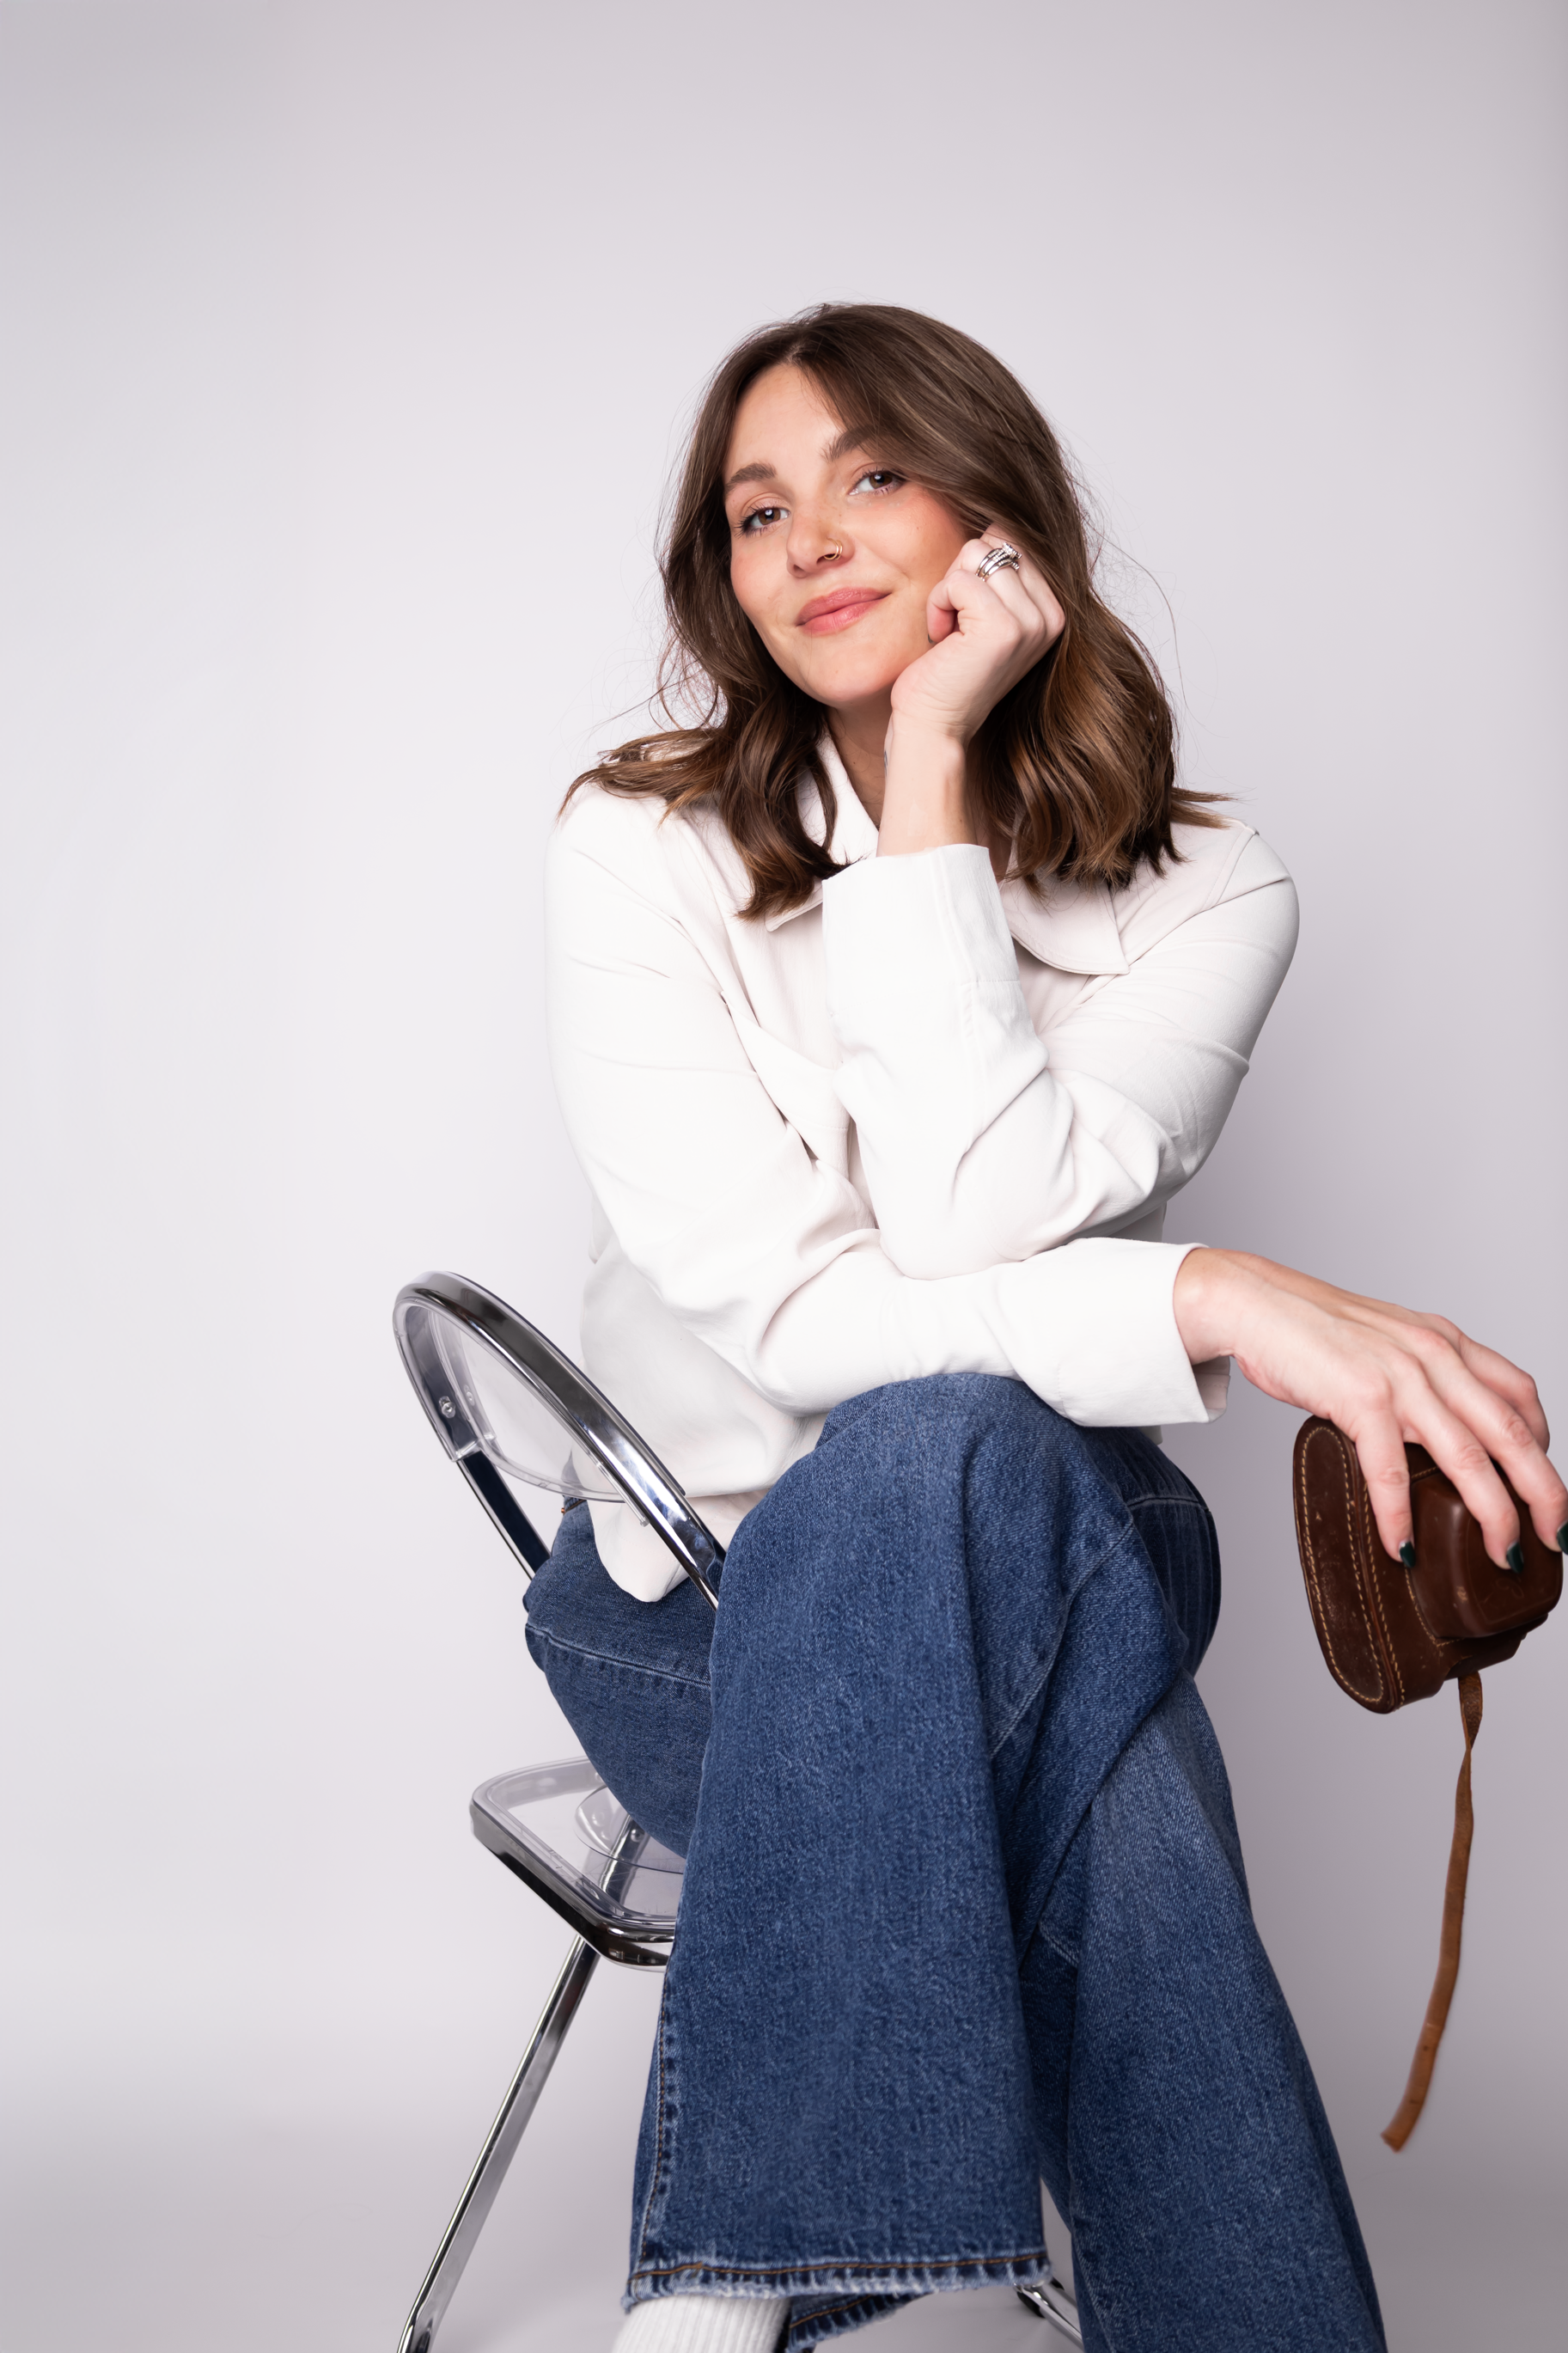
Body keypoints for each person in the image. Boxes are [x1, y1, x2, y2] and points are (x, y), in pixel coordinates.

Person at [528, 305, 1565, 2353]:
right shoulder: (634, 846)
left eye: (873, 476)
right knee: (1036, 1646)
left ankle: (719, 2305)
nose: (811, 540)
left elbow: (959, 1224)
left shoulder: (1208, 892)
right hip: (689, 1602)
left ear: (1002, 523)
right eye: (759, 509)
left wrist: (927, 779)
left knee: (955, 1456)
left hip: (1050, 1543)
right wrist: (1219, 1291)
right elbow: (817, 1314)